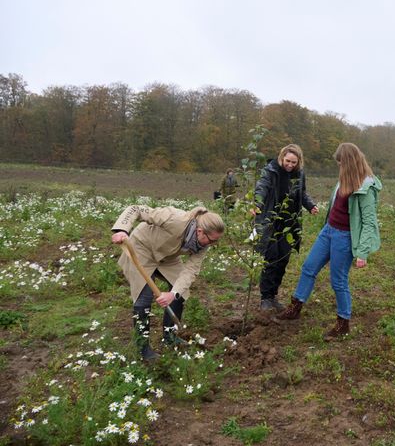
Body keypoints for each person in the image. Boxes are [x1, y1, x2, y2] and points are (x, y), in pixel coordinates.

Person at [275, 143, 382, 340]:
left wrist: (362, 252)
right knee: (309, 267)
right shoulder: (344, 179)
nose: (339, 167)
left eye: (341, 163)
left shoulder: (366, 186)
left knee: (338, 281)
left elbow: (369, 221)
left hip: (345, 237)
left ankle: (343, 324)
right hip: (328, 231)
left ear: (349, 163)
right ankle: (295, 308)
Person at [111, 205, 224, 360]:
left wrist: (173, 293)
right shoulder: (175, 218)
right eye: (211, 240)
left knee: (181, 292)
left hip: (167, 257)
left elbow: (190, 271)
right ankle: (143, 349)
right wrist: (122, 230)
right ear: (200, 231)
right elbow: (136, 209)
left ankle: (169, 337)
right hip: (142, 248)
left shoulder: (203, 245)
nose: (212, 244)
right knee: (143, 298)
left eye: (215, 241)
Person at [252, 144, 318, 311]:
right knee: (271, 259)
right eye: (288, 161)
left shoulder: (299, 174)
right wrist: (257, 203)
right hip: (271, 222)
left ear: (299, 162)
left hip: (289, 225)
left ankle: (273, 295)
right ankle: (265, 297)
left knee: (283, 259)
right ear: (281, 157)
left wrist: (310, 205)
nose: (290, 165)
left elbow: (302, 193)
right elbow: (262, 187)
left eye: (294, 162)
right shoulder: (270, 171)